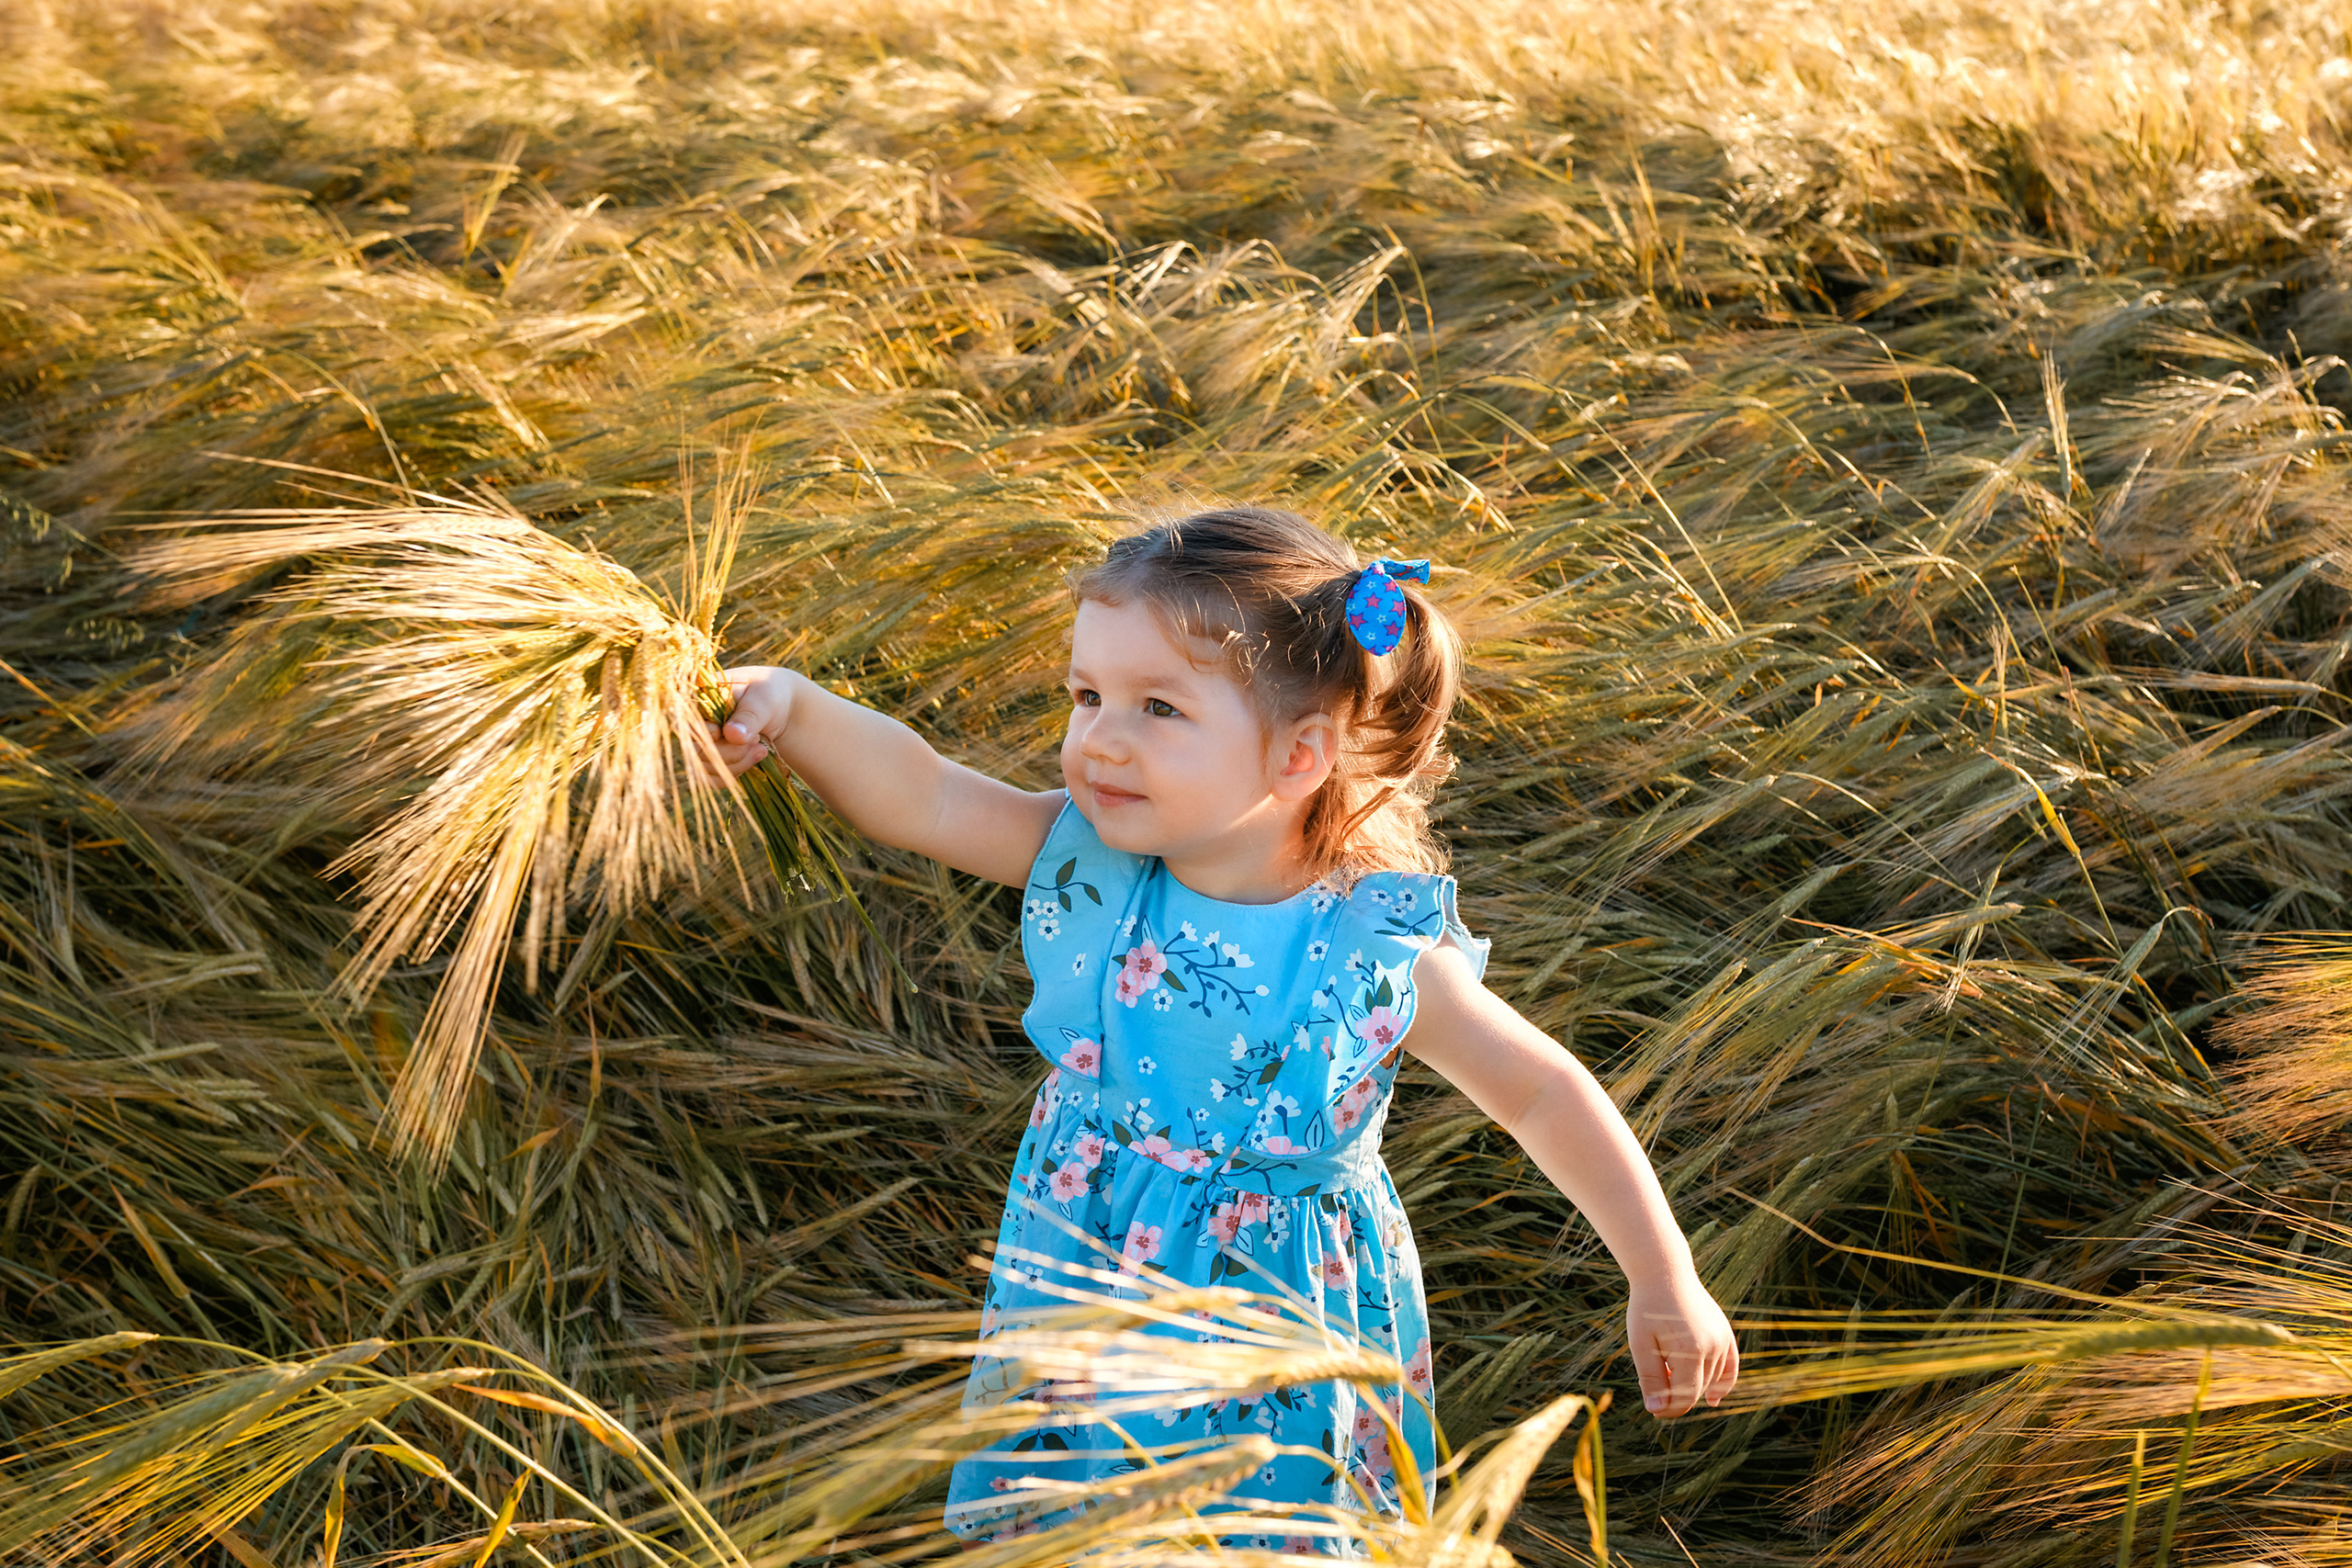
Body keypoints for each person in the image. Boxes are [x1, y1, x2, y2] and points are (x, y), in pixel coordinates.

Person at [709, 506, 1737, 1544]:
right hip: (1086, 1254)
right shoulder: (1092, 863)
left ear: (1300, 756)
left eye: (1157, 707)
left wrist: (1663, 1277)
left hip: (1274, 1307)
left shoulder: (1371, 948)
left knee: (1255, 1536)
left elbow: (1537, 1089)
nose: (1099, 738)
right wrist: (793, 708)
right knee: (1078, 1522)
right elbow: (925, 795)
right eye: (1085, 695)